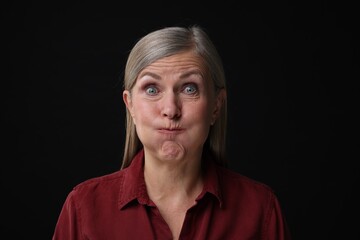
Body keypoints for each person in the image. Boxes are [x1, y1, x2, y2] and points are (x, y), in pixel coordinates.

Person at [52, 25, 292, 240]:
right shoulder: (83, 208)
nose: (170, 110)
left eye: (189, 88)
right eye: (152, 89)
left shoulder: (261, 209)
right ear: (130, 105)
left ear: (216, 106)